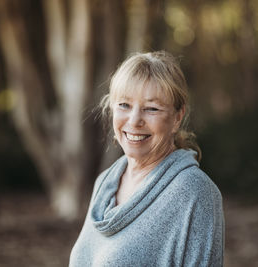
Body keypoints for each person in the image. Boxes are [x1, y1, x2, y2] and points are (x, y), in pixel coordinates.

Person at [69, 51, 224, 267]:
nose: (134, 121)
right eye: (124, 105)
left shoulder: (195, 192)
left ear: (177, 117)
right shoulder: (105, 183)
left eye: (151, 109)